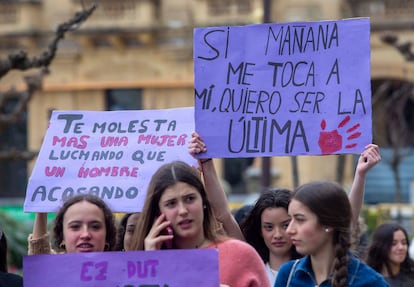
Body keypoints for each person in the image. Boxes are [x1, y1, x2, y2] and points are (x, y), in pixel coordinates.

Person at [189, 131, 381, 285]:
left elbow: (347, 219)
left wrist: (360, 175)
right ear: (259, 230)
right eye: (269, 227)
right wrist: (206, 163)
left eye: (294, 221)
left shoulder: (366, 280)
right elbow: (223, 213)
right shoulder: (281, 273)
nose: (282, 233)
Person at [128, 161, 270, 287]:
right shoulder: (143, 264)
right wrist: (149, 265)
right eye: (171, 204)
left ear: (203, 202)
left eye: (190, 199)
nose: (183, 211)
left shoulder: (241, 254)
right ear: (158, 212)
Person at [274, 181, 388, 287]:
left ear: (328, 224)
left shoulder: (371, 282)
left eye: (300, 219)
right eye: (290, 220)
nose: (289, 230)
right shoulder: (288, 275)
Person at [239, 189, 301, 285]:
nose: (277, 235)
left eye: (285, 225)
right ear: (260, 230)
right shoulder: (250, 273)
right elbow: (223, 215)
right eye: (269, 227)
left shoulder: (311, 272)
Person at [28, 193, 117, 254]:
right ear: (62, 236)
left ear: (107, 235)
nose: (85, 235)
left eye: (95, 227)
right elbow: (39, 256)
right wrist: (41, 210)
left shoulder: (123, 270)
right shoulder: (52, 268)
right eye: (75, 226)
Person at [366, 223, 414, 287]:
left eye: (404, 243)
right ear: (381, 246)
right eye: (394, 243)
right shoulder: (368, 280)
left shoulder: (411, 278)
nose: (401, 247)